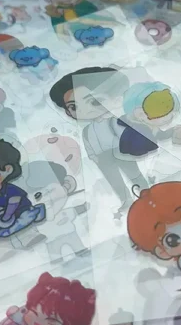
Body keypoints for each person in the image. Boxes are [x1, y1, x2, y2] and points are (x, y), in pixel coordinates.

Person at [50, 67, 154, 215]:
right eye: (73, 107)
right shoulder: (86, 130)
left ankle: (147, 193)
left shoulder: (115, 121)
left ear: (115, 99)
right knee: (114, 180)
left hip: (120, 152)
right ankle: (125, 199)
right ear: (68, 111)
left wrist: (132, 147)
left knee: (134, 174)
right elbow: (88, 145)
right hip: (102, 159)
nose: (84, 110)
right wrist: (93, 156)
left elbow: (125, 134)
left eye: (94, 101)